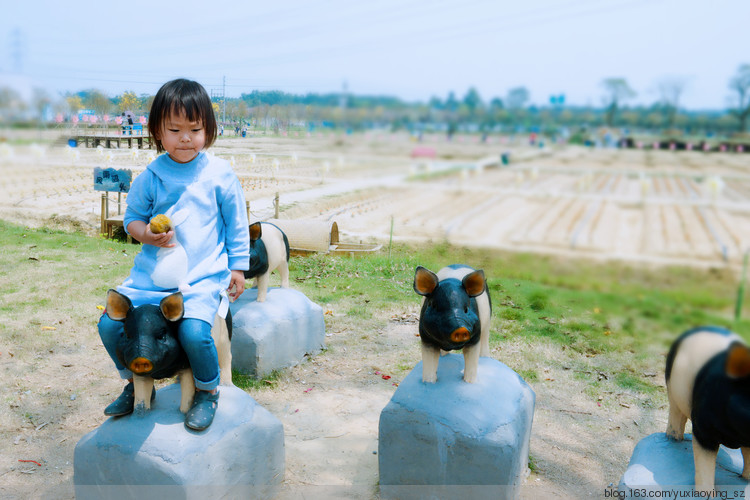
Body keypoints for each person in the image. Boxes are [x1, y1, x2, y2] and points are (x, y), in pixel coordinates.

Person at [98, 78, 249, 431]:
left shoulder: (219, 174)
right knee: (109, 324)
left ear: (209, 129)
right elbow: (132, 219)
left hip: (201, 278)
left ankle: (207, 390)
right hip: (150, 278)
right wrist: (147, 235)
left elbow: (236, 224)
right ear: (157, 131)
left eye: (195, 129)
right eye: (175, 129)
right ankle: (130, 380)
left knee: (196, 334)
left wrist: (238, 268)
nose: (185, 138)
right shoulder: (151, 176)